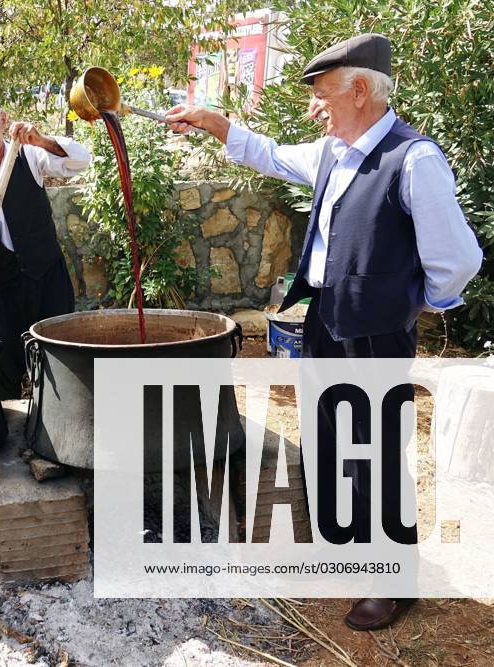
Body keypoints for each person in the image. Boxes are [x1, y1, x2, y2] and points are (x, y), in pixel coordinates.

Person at [166, 34, 483, 631]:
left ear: (360, 91)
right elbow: (268, 153)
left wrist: (410, 303)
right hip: (324, 324)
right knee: (329, 445)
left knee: (375, 457)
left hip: (373, 337)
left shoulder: (414, 160)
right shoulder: (333, 152)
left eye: (323, 97)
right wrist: (213, 122)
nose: (315, 109)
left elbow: (458, 259)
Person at [0, 93, 90, 399]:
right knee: (3, 367)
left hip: (46, 277)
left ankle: (56, 431)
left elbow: (81, 161)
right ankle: (10, 437)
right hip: (2, 286)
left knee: (58, 358)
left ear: (3, 120)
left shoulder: (31, 156)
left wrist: (43, 140)